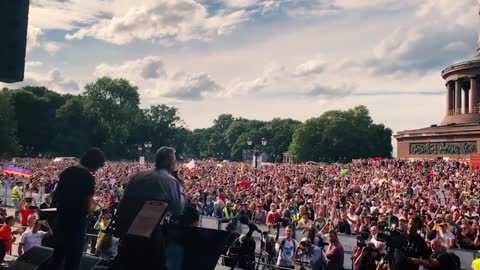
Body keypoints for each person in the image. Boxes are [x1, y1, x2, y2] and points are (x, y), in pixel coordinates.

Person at [109, 146, 185, 270]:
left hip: (129, 233)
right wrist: (181, 189)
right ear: (172, 164)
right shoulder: (170, 182)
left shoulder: (137, 176)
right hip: (151, 235)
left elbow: (123, 203)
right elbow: (178, 208)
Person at [50, 147, 105, 270]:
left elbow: (56, 197)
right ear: (95, 164)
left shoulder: (67, 172)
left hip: (61, 220)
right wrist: (94, 206)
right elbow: (88, 206)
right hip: (77, 224)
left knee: (57, 258)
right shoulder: (88, 178)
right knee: (73, 261)